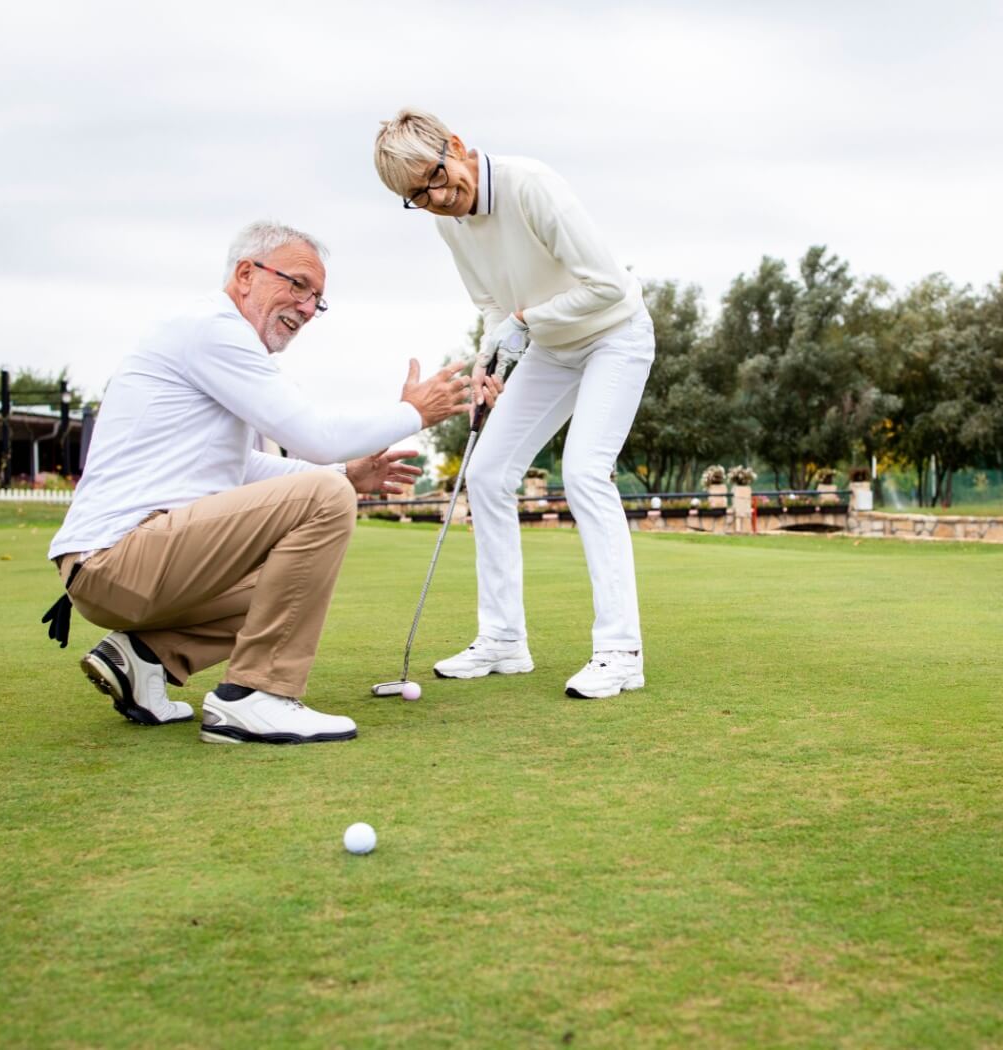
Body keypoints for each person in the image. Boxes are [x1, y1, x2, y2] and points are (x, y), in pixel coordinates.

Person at [43, 221, 490, 744]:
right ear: (246, 274)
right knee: (326, 499)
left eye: (317, 299)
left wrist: (350, 472)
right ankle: (257, 696)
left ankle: (145, 658)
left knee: (291, 580)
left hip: (118, 567)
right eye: (298, 284)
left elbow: (242, 469)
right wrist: (411, 413)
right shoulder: (213, 329)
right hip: (118, 557)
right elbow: (312, 435)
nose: (306, 308)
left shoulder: (215, 341)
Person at [373, 109, 654, 699]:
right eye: (416, 197)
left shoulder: (532, 186)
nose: (436, 198)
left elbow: (609, 286)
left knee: (583, 472)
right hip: (551, 347)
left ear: (456, 145)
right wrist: (490, 360)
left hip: (615, 334)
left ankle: (620, 650)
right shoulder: (447, 222)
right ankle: (503, 639)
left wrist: (525, 324)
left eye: (435, 177)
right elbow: (494, 307)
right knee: (488, 472)